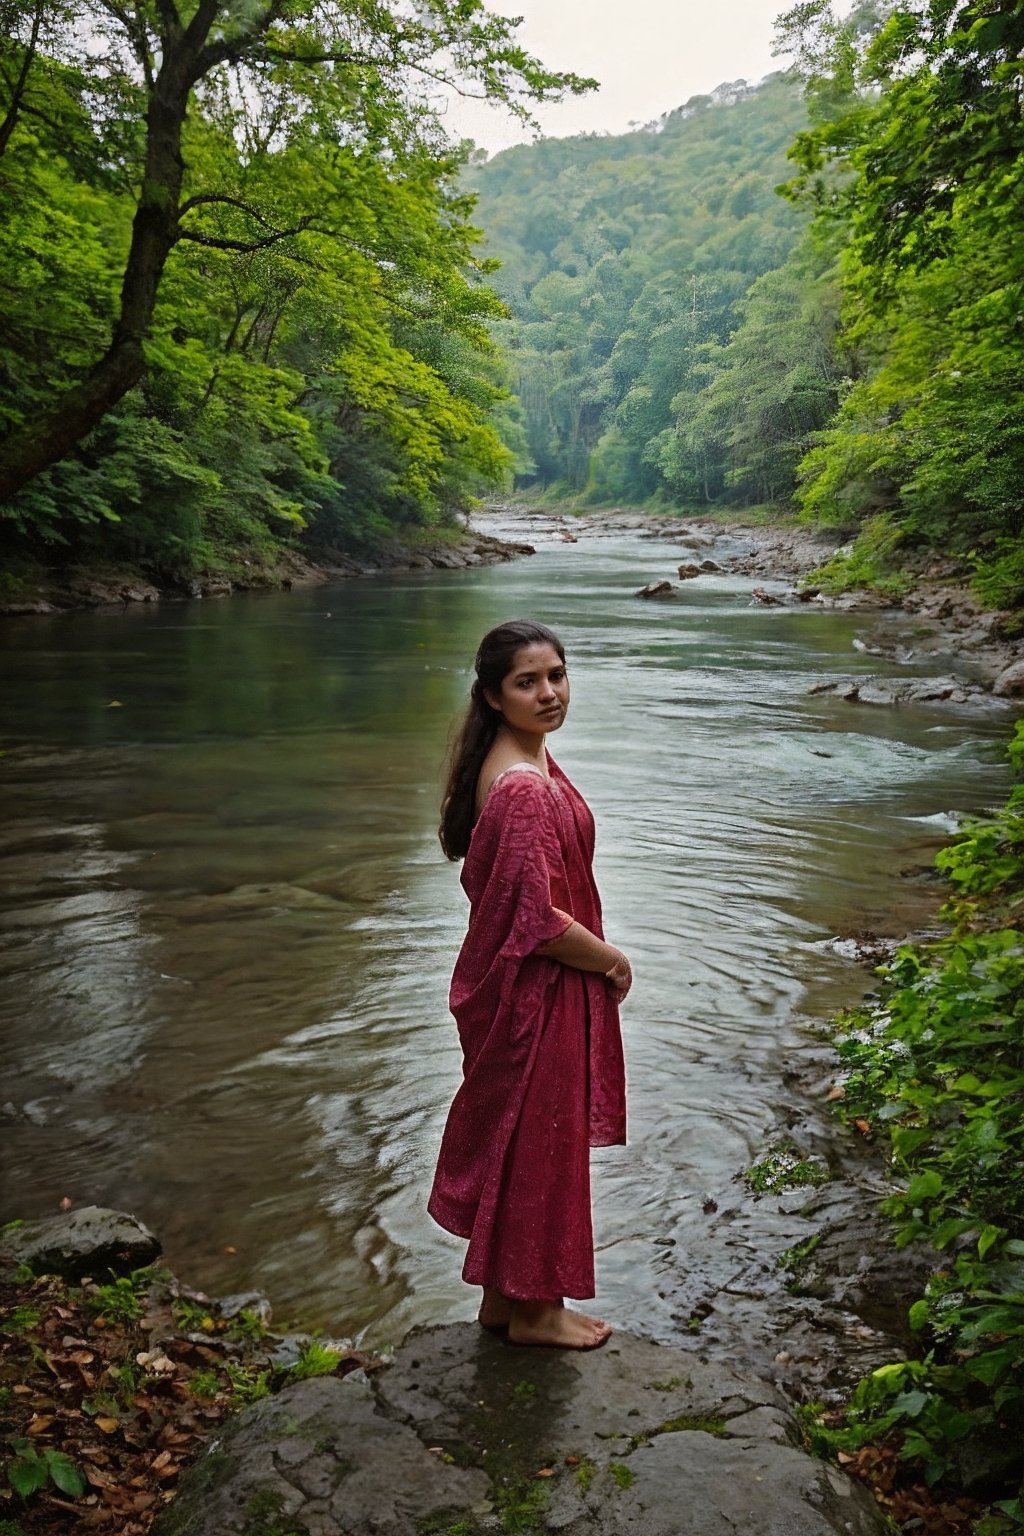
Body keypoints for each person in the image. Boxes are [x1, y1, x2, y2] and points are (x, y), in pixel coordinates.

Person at [428, 619, 630, 1350]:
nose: (548, 693)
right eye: (526, 682)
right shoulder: (519, 786)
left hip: (534, 988)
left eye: (557, 675)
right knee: (542, 1142)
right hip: (534, 992)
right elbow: (536, 921)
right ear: (492, 696)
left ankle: (502, 1302)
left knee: (524, 1138)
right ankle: (539, 1313)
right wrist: (610, 959)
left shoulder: (529, 760)